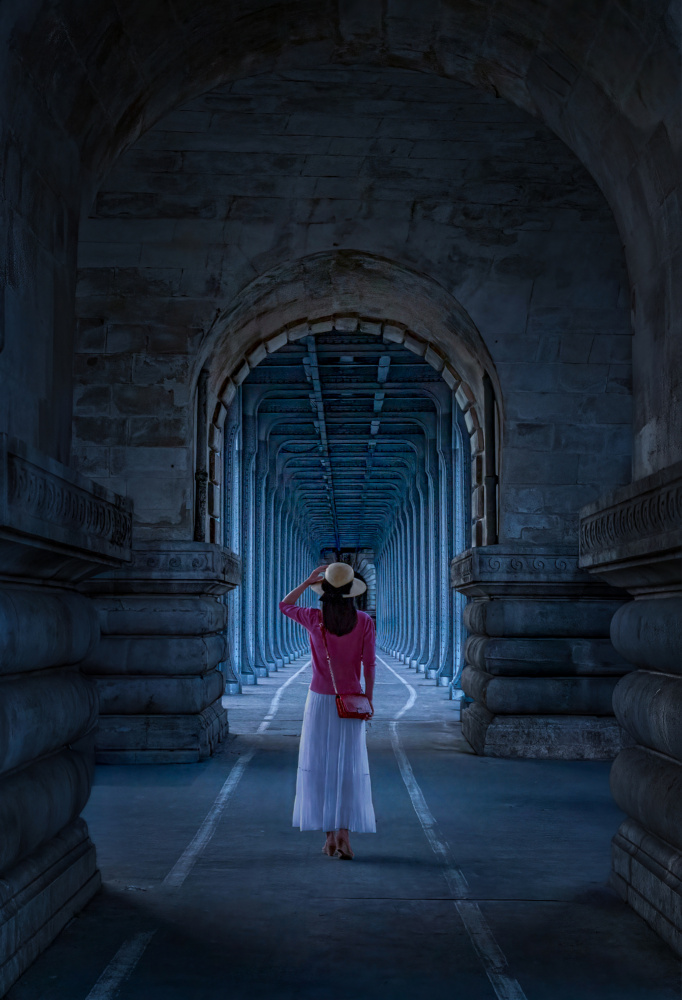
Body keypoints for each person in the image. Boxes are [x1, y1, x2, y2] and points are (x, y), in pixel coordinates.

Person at [279, 562, 376, 859]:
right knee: (346, 767)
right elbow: (369, 665)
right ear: (351, 592)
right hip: (351, 702)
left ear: (325, 590)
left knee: (319, 766)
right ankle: (344, 834)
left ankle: (329, 838)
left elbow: (284, 605)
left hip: (320, 701)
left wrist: (307, 582)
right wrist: (368, 700)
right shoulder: (364, 621)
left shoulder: (313, 618)